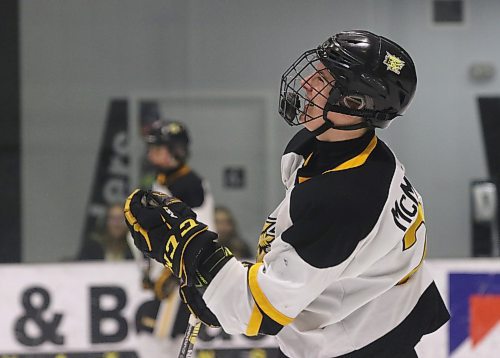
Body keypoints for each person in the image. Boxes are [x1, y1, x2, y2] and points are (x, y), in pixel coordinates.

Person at [124, 30, 450, 358]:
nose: (307, 82)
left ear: (354, 102)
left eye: (323, 78)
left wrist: (189, 252)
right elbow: (308, 256)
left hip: (358, 345)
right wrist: (229, 279)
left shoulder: (346, 198)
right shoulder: (330, 152)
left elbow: (259, 310)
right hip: (370, 323)